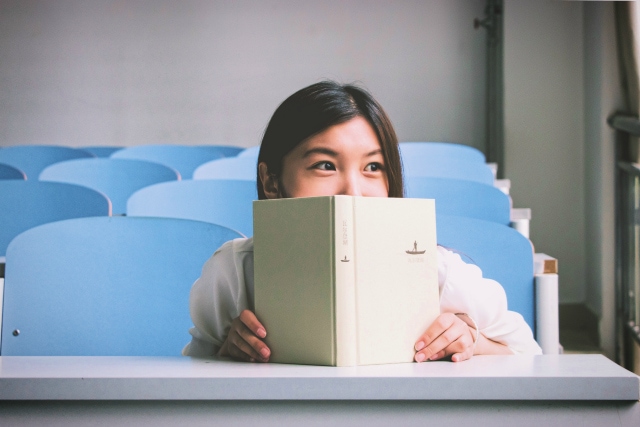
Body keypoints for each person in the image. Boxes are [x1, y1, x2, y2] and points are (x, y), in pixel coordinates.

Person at [183, 81, 543, 362]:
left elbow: (529, 354)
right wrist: (225, 354)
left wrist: (473, 341)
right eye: (325, 165)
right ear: (272, 181)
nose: (353, 191)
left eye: (373, 167)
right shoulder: (234, 273)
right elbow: (193, 369)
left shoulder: (435, 272)